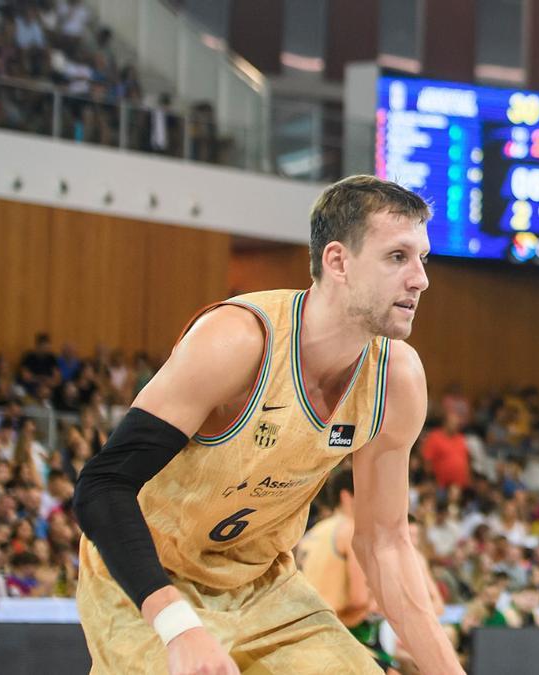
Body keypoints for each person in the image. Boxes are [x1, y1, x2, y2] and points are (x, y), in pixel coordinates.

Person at [73, 175, 463, 674]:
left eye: (423, 259)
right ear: (338, 261)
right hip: (151, 578)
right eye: (397, 257)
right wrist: (177, 625)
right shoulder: (239, 340)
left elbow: (383, 542)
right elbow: (101, 485)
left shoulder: (398, 379)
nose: (420, 279)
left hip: (261, 584)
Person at [298, 467, 444, 673]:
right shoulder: (349, 531)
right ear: (347, 496)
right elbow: (358, 601)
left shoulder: (313, 533)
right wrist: (375, 607)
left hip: (303, 631)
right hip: (331, 634)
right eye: (366, 495)